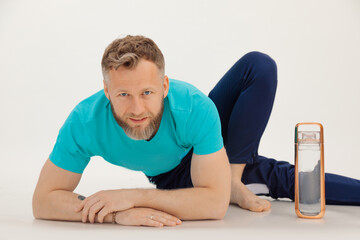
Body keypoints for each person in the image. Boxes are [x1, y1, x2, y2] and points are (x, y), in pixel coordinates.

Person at [32, 35, 360, 227]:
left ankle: (232, 176)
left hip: (208, 147)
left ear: (164, 86)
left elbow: (214, 206)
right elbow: (43, 202)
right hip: (177, 176)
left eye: (146, 92)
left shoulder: (193, 107)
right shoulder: (84, 122)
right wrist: (117, 214)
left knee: (258, 64)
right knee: (278, 177)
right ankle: (234, 178)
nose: (136, 109)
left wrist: (129, 196)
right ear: (106, 92)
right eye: (123, 95)